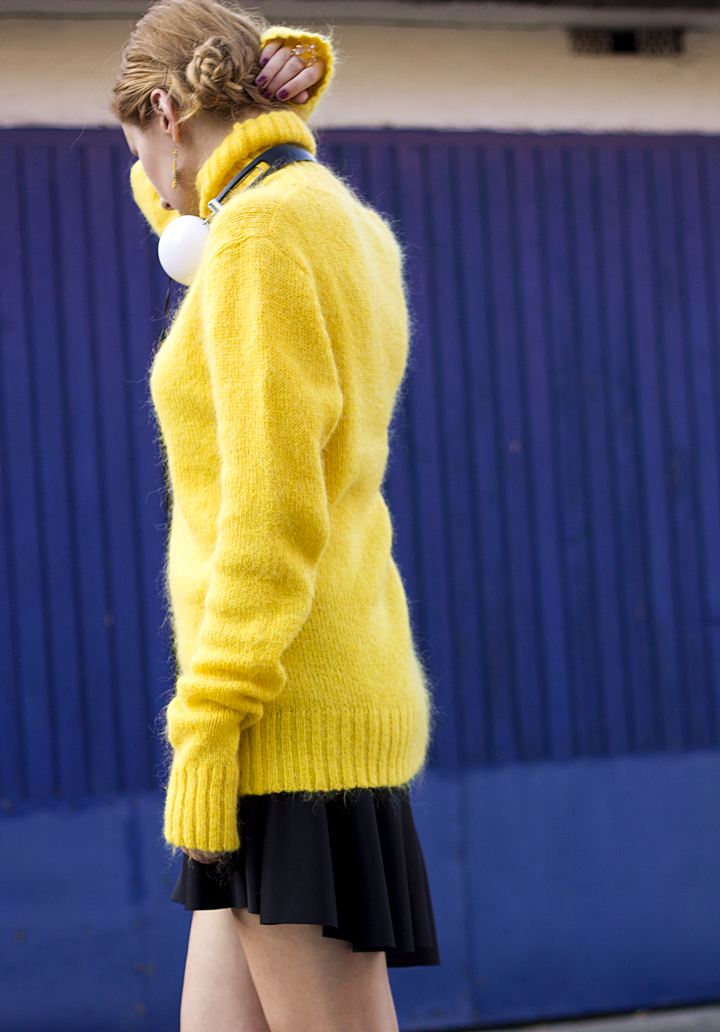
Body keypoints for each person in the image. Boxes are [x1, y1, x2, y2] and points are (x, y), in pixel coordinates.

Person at [112, 1, 438, 1029]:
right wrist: (269, 109)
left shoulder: (257, 238)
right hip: (319, 682)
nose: (143, 175)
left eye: (136, 140)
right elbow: (181, 204)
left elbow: (270, 510)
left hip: (279, 719)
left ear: (166, 112)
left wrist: (208, 728)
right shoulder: (339, 222)